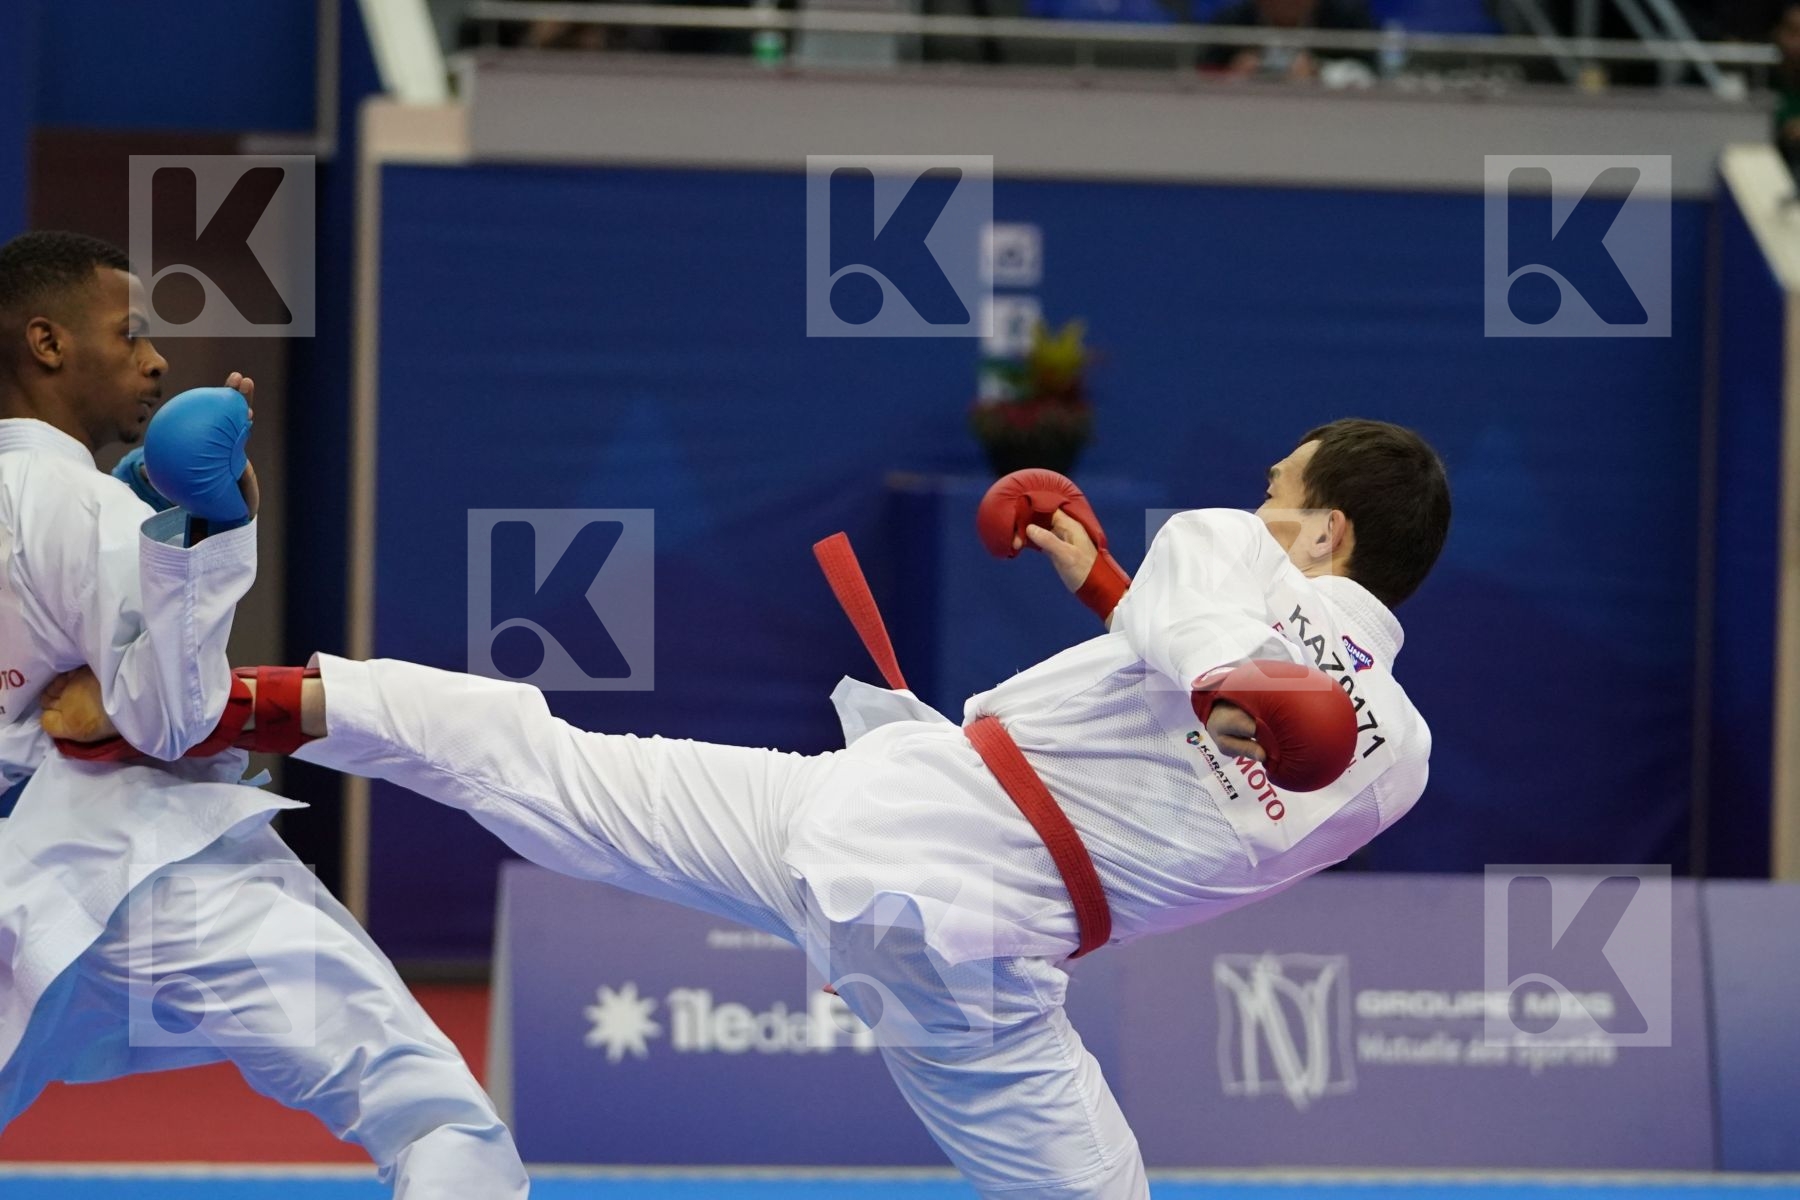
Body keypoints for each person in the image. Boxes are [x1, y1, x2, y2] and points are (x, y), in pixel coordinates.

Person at [49, 418, 1451, 1198]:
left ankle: (217, 708)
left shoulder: (1225, 558)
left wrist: (1214, 672)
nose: (1254, 495)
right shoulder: (1400, 760)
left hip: (879, 831)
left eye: (1279, 485)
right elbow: (1222, 729)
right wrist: (1116, 596)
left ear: (1323, 532)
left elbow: (1214, 654)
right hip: (984, 960)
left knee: (533, 761)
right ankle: (219, 710)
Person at [0, 231, 528, 1198]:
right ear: (47, 342)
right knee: (428, 1107)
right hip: (151, 868)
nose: (155, 360)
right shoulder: (82, 506)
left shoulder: (73, 503)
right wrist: (206, 531)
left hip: (21, 889)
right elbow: (169, 717)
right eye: (129, 333)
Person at [1202, 0, 1375, 79]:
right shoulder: (1231, 21)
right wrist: (1232, 74)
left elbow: (1373, 74)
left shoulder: (1347, 19)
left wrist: (1321, 71)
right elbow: (1201, 73)